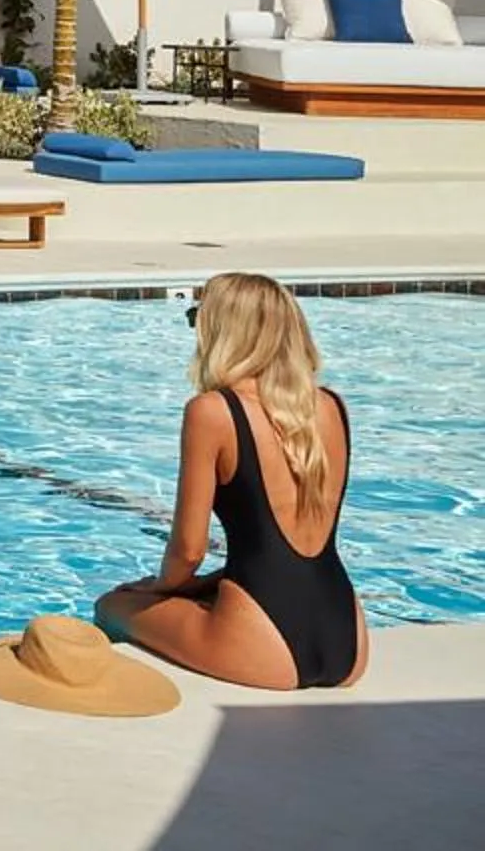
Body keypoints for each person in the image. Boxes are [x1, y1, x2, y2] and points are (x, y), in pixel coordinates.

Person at [95, 273, 368, 690]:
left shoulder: (212, 412)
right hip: (346, 638)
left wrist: (157, 589)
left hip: (262, 643)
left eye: (197, 318)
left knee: (113, 607)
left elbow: (188, 550)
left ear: (224, 332)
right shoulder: (331, 406)